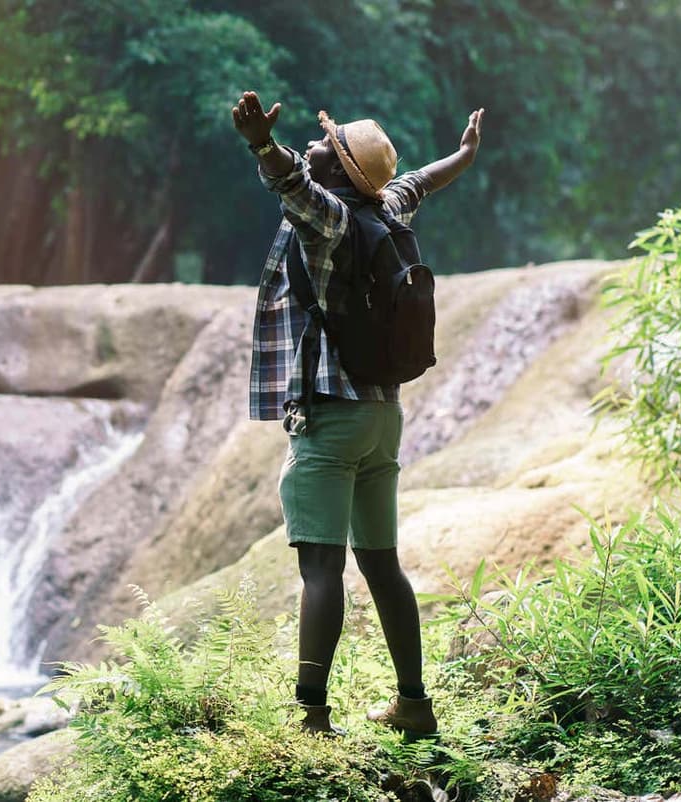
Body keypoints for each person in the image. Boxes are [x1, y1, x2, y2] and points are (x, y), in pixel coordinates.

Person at [231, 90, 483, 737]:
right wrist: (463, 154)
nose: (319, 142)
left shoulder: (331, 218)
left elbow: (289, 179)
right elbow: (417, 184)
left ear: (340, 171)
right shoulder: (383, 209)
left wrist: (262, 142)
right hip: (382, 419)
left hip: (334, 420)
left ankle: (311, 716)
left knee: (321, 569)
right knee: (381, 564)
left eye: (329, 143)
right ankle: (414, 705)